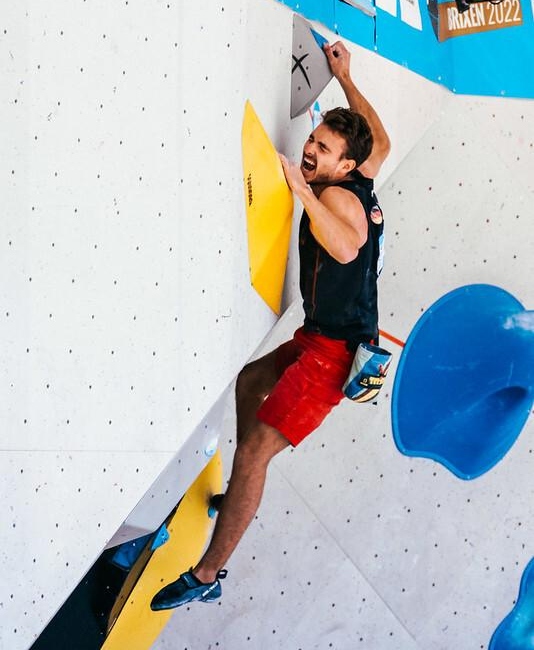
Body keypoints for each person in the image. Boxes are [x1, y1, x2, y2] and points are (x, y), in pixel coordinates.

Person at [150, 40, 390, 611]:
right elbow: (381, 140)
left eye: (322, 149)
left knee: (255, 452)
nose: (309, 150)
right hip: (319, 337)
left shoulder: (343, 200)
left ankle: (206, 576)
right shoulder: (363, 169)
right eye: (313, 140)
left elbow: (350, 246)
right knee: (248, 381)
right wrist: (347, 78)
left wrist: (304, 191)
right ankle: (240, 488)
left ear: (344, 167)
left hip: (335, 356)